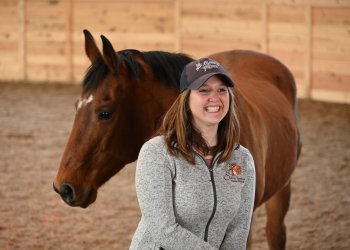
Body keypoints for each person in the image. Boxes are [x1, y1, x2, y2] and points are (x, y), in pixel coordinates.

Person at [129, 57, 256, 250]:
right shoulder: (157, 153)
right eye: (204, 90)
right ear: (186, 99)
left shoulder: (242, 159)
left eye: (222, 90)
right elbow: (164, 230)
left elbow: (238, 230)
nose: (215, 98)